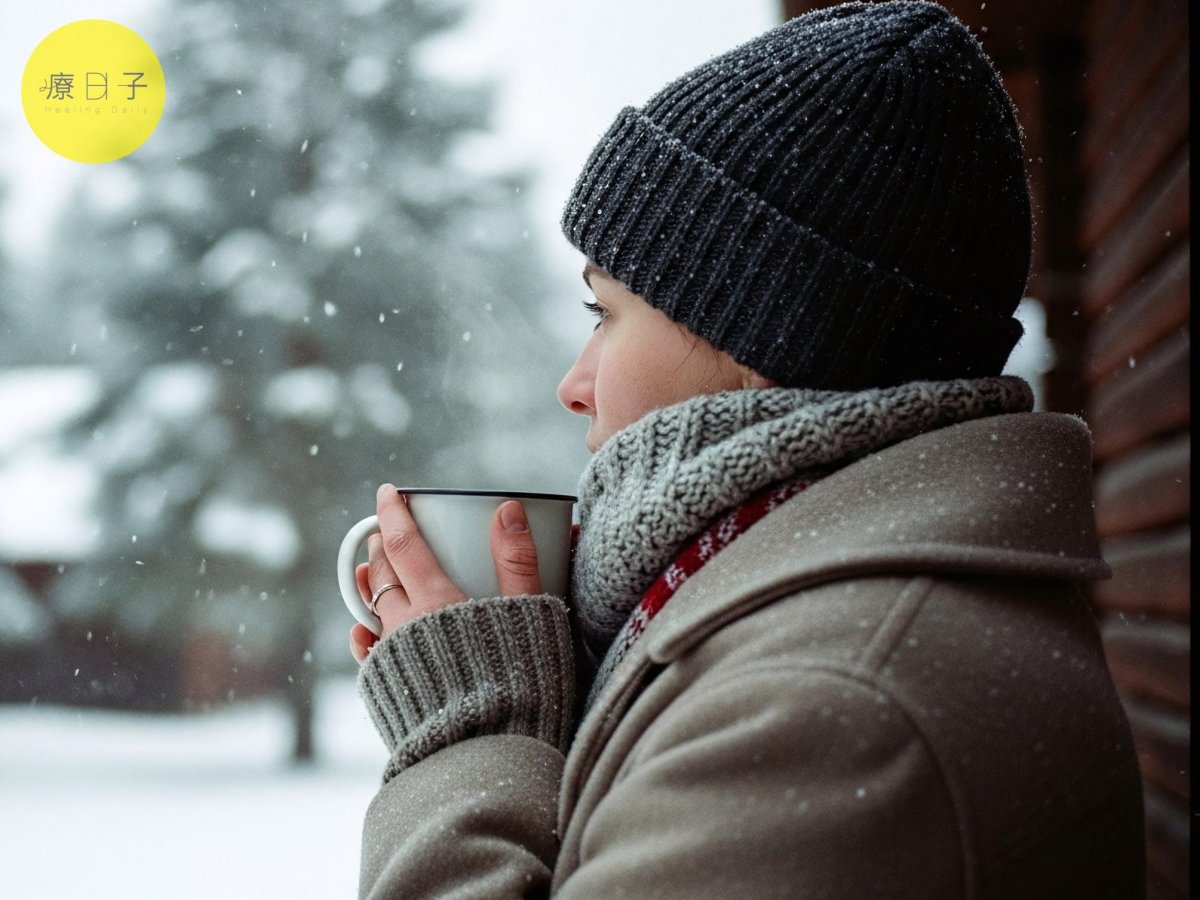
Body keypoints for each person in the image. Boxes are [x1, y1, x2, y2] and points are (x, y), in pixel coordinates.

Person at [347, 2, 1146, 897]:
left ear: (764, 334)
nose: (572, 385)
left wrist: (474, 737)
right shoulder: (811, 628)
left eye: (604, 313)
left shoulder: (833, 701)